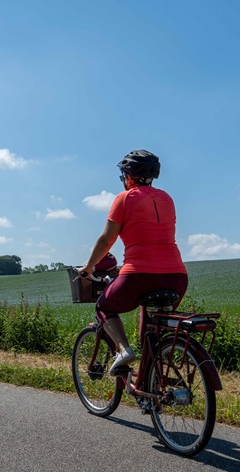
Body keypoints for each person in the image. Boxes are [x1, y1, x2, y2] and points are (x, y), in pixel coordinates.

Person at [79, 149, 188, 374]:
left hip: (138, 275)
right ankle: (152, 383)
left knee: (103, 306)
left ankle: (123, 350)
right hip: (177, 277)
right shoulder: (167, 198)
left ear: (128, 177)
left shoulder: (124, 198)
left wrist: (88, 267)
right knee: (152, 329)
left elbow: (106, 239)